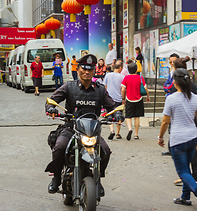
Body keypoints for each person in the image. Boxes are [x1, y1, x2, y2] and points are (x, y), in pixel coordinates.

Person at [45, 54, 116, 195]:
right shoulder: (69, 87)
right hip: (71, 129)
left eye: (90, 69)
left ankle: (98, 179)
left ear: (94, 71)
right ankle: (57, 177)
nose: (86, 72)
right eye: (83, 68)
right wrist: (50, 108)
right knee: (59, 147)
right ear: (78, 70)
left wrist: (116, 114)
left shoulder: (100, 89)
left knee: (105, 151)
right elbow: (51, 100)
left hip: (91, 132)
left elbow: (112, 107)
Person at [157, 68, 197, 211]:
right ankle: (185, 197)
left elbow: (165, 122)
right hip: (191, 138)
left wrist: (160, 137)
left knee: (182, 171)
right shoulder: (195, 98)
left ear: (175, 83)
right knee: (186, 169)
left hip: (177, 140)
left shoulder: (171, 98)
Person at [172, 57, 197, 187]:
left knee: (184, 153)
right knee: (191, 152)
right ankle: (191, 177)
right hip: (191, 122)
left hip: (184, 123)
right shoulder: (191, 84)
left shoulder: (180, 86)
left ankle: (189, 177)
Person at [121, 62, 150, 140]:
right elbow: (146, 88)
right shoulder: (140, 77)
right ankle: (136, 134)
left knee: (128, 116)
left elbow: (123, 89)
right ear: (136, 70)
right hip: (139, 99)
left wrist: (123, 98)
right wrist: (148, 96)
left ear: (128, 70)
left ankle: (130, 129)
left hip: (129, 99)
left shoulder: (126, 78)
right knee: (137, 117)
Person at [162, 53, 180, 156]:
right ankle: (171, 148)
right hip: (170, 99)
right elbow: (166, 85)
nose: (172, 63)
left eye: (173, 61)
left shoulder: (178, 73)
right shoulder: (171, 72)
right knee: (170, 125)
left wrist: (167, 87)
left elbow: (170, 86)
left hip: (176, 100)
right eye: (170, 61)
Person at [103, 60, 125, 140]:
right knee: (119, 116)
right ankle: (118, 133)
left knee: (109, 115)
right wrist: (123, 99)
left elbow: (104, 87)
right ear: (119, 68)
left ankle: (112, 130)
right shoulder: (122, 77)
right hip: (118, 99)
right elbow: (123, 89)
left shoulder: (107, 75)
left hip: (108, 99)